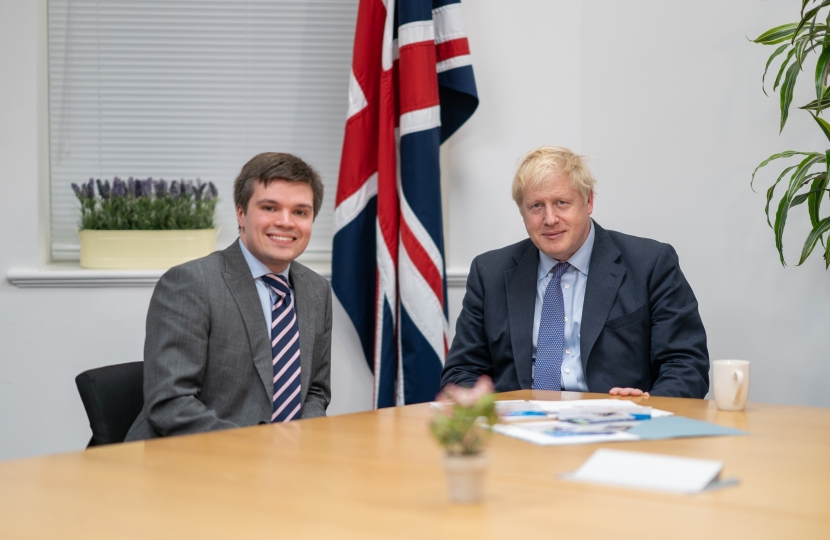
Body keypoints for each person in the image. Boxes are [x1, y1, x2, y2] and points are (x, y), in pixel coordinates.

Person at [441, 146, 709, 398]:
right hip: (518, 430)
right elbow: (461, 372)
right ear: (522, 212)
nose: (549, 219)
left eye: (561, 203)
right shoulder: (490, 273)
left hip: (618, 428)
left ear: (588, 201)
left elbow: (686, 364)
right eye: (536, 206)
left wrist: (649, 408)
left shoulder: (650, 263)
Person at [125, 152, 332, 440]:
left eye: (300, 212)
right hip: (194, 461)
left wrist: (301, 440)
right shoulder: (191, 283)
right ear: (241, 213)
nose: (286, 222)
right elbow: (170, 404)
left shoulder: (316, 290)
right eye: (270, 207)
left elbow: (314, 390)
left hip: (286, 465)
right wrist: (260, 450)